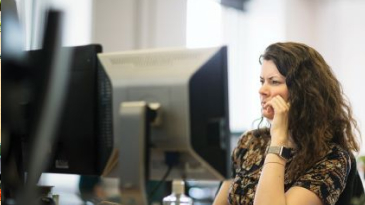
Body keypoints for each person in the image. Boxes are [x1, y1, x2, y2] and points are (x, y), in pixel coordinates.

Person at [213, 42, 364, 205]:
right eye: (262, 81)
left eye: (274, 81)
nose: (262, 90)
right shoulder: (250, 142)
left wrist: (278, 139)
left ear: (303, 91)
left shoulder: (332, 158)